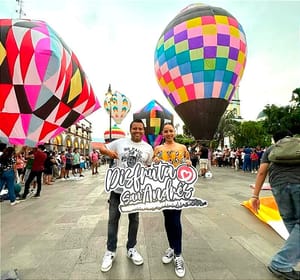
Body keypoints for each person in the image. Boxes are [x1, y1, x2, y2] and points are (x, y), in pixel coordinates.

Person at [99, 119, 153, 273]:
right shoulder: (120, 142)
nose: (137, 131)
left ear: (144, 131)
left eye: (140, 129)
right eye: (134, 128)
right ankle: (110, 251)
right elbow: (100, 147)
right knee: (113, 220)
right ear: (131, 130)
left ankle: (131, 248)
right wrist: (108, 152)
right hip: (117, 190)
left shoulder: (148, 148)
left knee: (134, 220)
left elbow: (149, 166)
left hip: (135, 191)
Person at [250, 130, 300, 280]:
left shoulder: (271, 149)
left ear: (274, 139)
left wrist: (255, 195)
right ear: (290, 136)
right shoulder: (298, 144)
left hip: (278, 187)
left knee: (291, 221)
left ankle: (288, 259)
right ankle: (281, 263)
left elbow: (261, 172)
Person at [152, 122, 192, 278]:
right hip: (163, 189)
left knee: (176, 219)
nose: (168, 133)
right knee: (167, 219)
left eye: (171, 131)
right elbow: (152, 169)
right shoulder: (158, 149)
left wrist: (188, 163)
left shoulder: (182, 148)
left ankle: (178, 254)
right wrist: (153, 163)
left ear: (174, 132)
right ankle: (171, 247)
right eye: (166, 131)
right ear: (163, 133)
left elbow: (187, 165)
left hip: (177, 189)